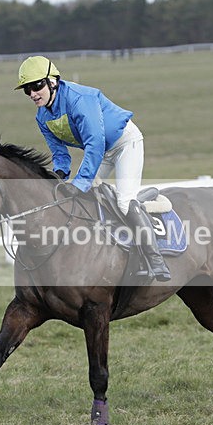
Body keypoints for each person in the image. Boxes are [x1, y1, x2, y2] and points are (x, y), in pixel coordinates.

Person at [15, 55, 170, 282]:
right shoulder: (42, 117)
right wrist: (58, 178)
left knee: (124, 201)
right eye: (26, 90)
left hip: (125, 143)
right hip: (102, 152)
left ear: (52, 81)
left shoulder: (79, 99)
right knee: (80, 199)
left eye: (36, 86)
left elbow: (94, 143)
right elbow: (60, 155)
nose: (32, 94)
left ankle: (155, 260)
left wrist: (80, 182)